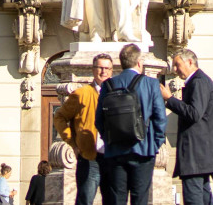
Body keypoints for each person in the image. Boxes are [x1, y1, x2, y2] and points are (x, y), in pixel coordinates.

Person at [94, 44, 166, 205]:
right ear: (139, 62)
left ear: (121, 63)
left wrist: (109, 139)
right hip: (144, 150)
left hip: (115, 151)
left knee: (116, 199)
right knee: (140, 199)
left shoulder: (108, 85)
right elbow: (160, 118)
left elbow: (99, 119)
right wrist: (154, 144)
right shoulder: (151, 84)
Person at [160, 49, 213, 205]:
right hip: (200, 158)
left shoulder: (198, 81)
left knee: (194, 199)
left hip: (196, 157)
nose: (175, 69)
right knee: (203, 198)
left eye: (177, 64)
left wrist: (170, 99)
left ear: (190, 62)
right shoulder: (200, 81)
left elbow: (194, 113)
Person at [53, 54, 114, 205]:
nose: (103, 71)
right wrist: (72, 141)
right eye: (100, 67)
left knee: (113, 200)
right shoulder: (81, 94)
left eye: (107, 68)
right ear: (93, 70)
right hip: (89, 158)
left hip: (113, 157)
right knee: (85, 200)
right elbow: (59, 116)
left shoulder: (118, 94)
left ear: (112, 71)